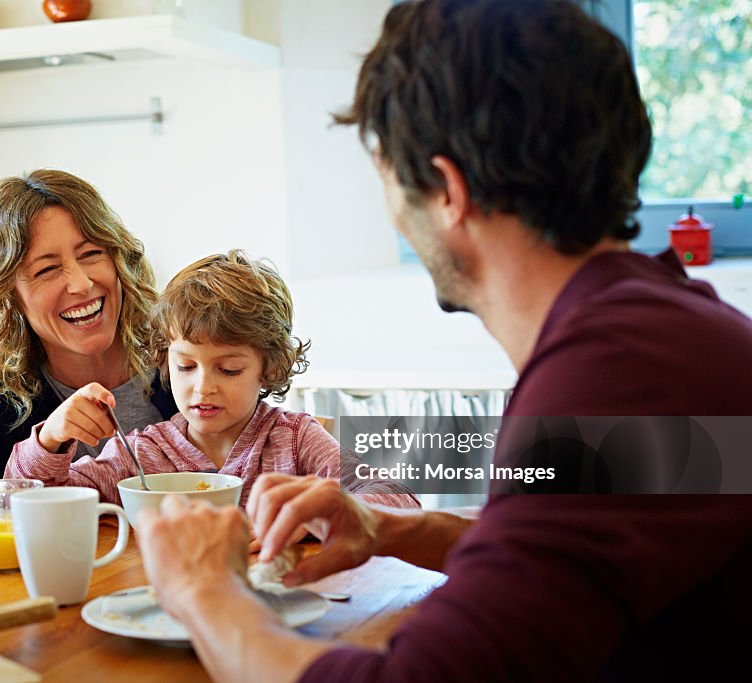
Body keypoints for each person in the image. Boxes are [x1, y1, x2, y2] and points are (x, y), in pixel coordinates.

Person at [133, 1, 752, 681]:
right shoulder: (673, 334)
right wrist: (393, 528)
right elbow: (570, 550)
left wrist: (202, 590)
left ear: (448, 191)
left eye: (388, 178)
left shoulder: (618, 375)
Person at [6, 250, 417, 510]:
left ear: (268, 368)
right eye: (186, 367)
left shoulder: (294, 441)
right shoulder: (143, 454)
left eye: (229, 369)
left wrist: (326, 513)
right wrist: (50, 440)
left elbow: (396, 499)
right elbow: (27, 502)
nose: (203, 387)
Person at [0, 169, 177, 513]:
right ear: (9, 296)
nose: (81, 283)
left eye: (91, 254)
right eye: (47, 269)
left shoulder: (185, 367)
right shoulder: (1, 398)